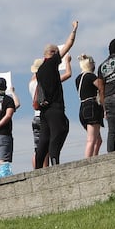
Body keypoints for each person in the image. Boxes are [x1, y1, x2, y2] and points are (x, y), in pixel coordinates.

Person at [32, 20, 78, 169]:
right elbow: (69, 44)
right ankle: (54, 162)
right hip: (55, 108)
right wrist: (74, 29)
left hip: (43, 111)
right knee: (59, 131)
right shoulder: (52, 64)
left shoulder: (39, 71)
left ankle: (38, 167)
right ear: (52, 53)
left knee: (44, 139)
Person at [76, 55, 104, 157]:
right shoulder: (91, 76)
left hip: (82, 108)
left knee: (98, 140)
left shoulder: (78, 78)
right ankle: (88, 162)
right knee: (91, 140)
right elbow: (101, 87)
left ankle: (94, 157)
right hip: (92, 107)